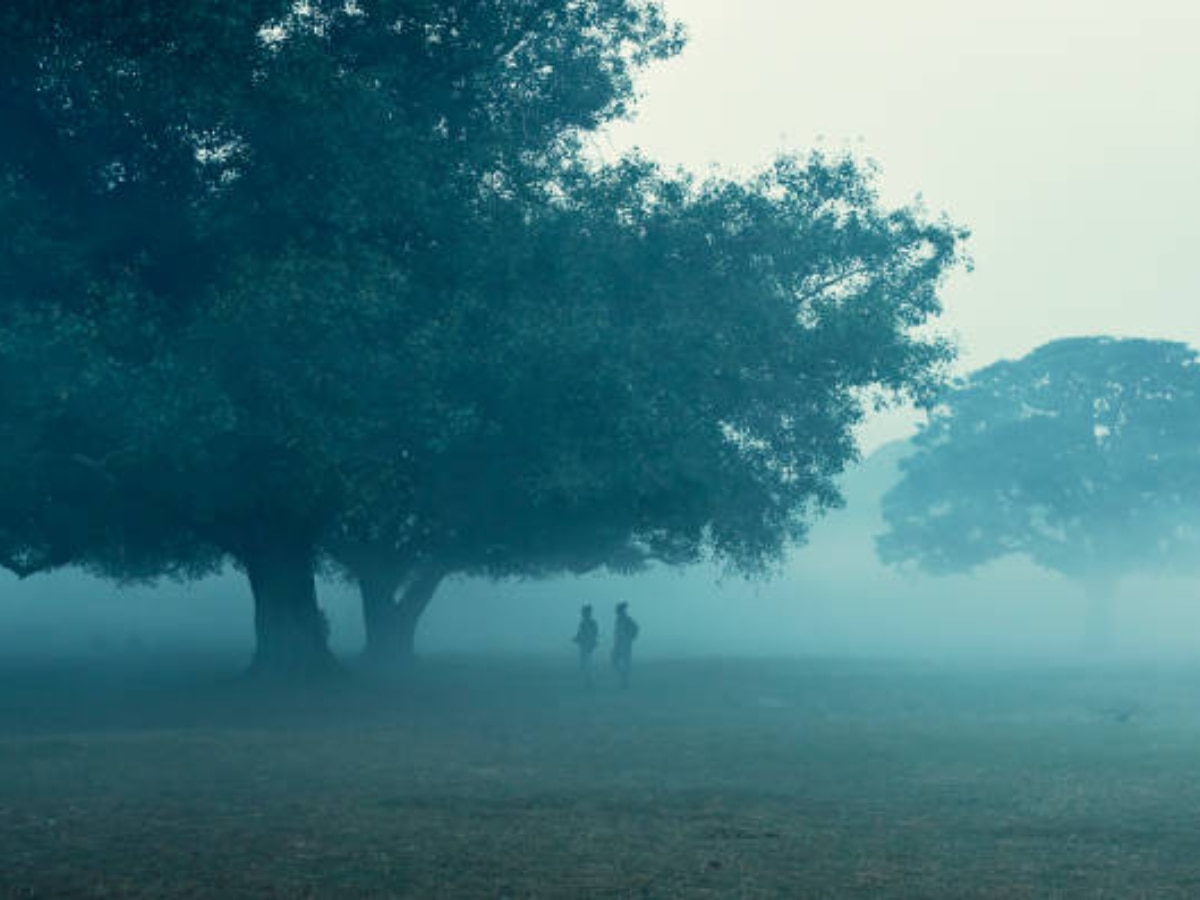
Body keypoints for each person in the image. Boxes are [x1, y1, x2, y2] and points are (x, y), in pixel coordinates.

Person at [611, 602, 639, 688]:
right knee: (614, 660)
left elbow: (636, 628)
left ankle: (625, 682)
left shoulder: (627, 620)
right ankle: (623, 678)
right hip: (618, 644)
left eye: (619, 610)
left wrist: (630, 638)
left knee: (626, 663)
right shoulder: (618, 620)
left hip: (625, 644)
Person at [572, 604, 599, 687]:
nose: (583, 614)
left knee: (589, 665)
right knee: (583, 665)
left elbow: (594, 634)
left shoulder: (592, 623)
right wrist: (576, 638)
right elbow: (580, 634)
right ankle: (587, 683)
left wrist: (591, 643)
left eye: (584, 612)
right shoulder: (583, 623)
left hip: (589, 647)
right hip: (583, 646)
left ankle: (590, 683)